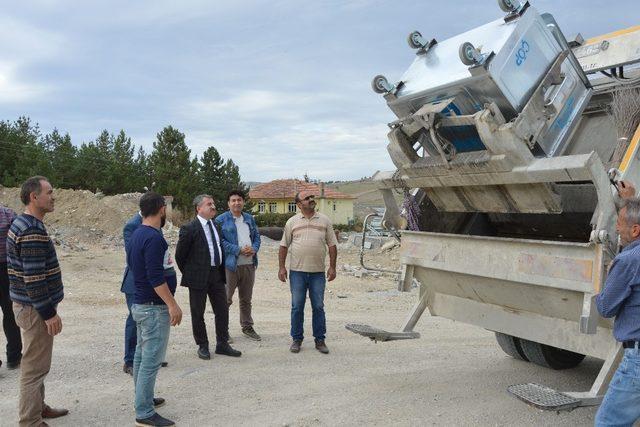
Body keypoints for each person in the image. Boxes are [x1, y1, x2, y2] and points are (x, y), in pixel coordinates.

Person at [7, 176, 68, 426]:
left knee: (38, 363)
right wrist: (48, 313)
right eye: (49, 192)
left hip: (28, 306)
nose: (53, 197)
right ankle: (30, 421)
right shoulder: (31, 229)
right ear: (34, 197)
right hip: (34, 309)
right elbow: (34, 279)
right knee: (34, 368)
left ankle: (38, 408)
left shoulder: (25, 223)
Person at [128, 192, 182, 427]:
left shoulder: (137, 233)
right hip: (152, 308)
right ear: (161, 209)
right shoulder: (153, 238)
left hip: (141, 304)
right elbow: (155, 277)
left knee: (141, 356)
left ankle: (143, 398)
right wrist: (173, 304)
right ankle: (144, 411)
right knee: (151, 360)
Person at [175, 194, 241, 360]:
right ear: (199, 208)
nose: (213, 206)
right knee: (198, 312)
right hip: (198, 277)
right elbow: (180, 256)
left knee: (222, 310)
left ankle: (222, 344)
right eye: (209, 204)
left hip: (216, 274)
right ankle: (203, 345)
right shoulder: (189, 228)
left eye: (213, 203)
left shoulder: (216, 225)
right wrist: (191, 273)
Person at [594, 196, 640, 426]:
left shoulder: (628, 260)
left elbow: (606, 307)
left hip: (637, 360)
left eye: (620, 223)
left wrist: (607, 277)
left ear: (635, 229)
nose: (616, 227)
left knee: (608, 422)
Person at [278, 189, 338, 354]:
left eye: (312, 197)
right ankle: (296, 339)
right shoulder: (292, 222)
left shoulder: (325, 220)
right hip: (297, 272)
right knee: (297, 307)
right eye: (307, 198)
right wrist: (281, 267)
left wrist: (332, 267)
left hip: (318, 273)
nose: (311, 199)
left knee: (318, 306)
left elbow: (332, 245)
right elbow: (284, 246)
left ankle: (320, 340)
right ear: (299, 204)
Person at [215, 190, 262, 341]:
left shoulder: (249, 218)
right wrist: (238, 250)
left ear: (243, 202)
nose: (237, 203)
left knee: (246, 299)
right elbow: (220, 241)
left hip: (249, 264)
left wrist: (254, 248)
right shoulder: (221, 220)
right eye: (233, 200)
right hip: (231, 265)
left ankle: (247, 326)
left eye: (239, 200)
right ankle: (223, 330)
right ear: (228, 203)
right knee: (226, 299)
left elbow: (257, 237)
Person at [0, 203, 22, 370]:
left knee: (11, 314)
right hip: (7, 270)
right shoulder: (8, 214)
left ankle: (14, 356)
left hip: (7, 269)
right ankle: (14, 357)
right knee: (10, 314)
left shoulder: (9, 214)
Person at [121, 211, 142, 375]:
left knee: (149, 320)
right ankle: (130, 361)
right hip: (135, 282)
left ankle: (145, 356)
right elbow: (133, 256)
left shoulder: (155, 221)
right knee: (135, 319)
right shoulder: (132, 225)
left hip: (151, 282)